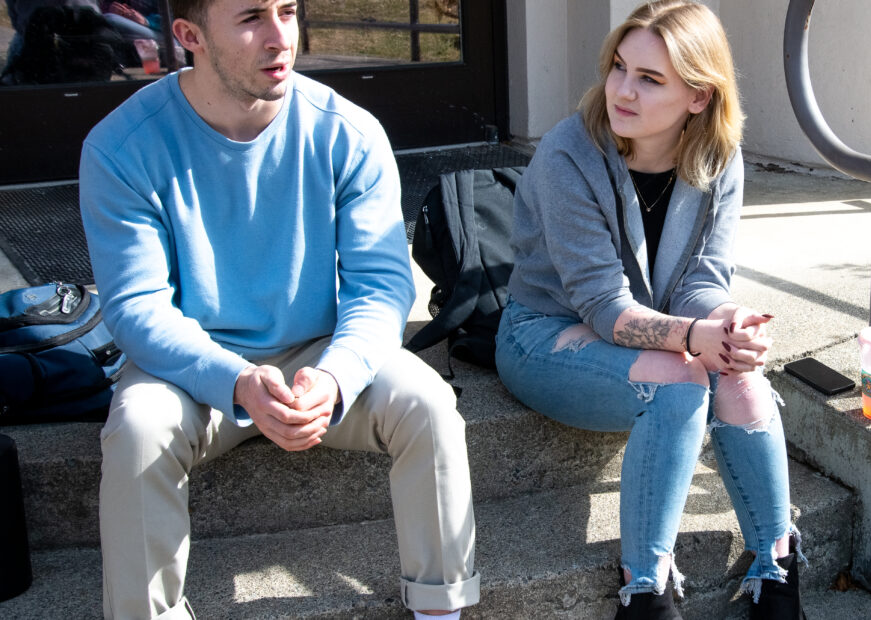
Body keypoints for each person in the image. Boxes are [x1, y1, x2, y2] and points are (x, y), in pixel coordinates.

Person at [78, 0, 479, 617]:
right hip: (189, 369)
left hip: (317, 353)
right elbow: (136, 308)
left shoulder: (347, 131)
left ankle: (441, 607)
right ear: (189, 36)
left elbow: (382, 287)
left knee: (429, 405)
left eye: (287, 11)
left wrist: (336, 375)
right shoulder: (121, 147)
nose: (280, 37)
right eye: (250, 18)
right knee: (137, 429)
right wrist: (235, 381)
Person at [495, 2, 805, 619]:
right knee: (681, 379)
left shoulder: (719, 156)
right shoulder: (567, 154)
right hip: (549, 335)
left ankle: (777, 572)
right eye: (619, 67)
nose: (622, 90)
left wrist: (725, 322)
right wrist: (695, 337)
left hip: (654, 334)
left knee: (740, 376)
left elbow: (702, 279)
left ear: (697, 96)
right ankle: (646, 591)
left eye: (650, 78)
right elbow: (602, 304)